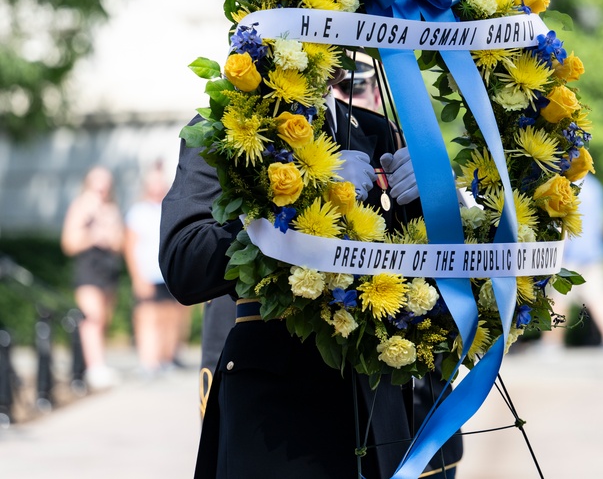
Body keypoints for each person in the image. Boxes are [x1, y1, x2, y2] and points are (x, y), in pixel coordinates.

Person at [160, 64, 460, 478]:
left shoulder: (377, 130)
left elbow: (419, 277)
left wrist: (445, 202)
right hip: (279, 419)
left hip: (379, 416)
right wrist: (298, 199)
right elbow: (184, 260)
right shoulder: (233, 126)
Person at [541, 174, 603, 350]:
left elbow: (560, 223)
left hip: (570, 253)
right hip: (594, 252)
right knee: (601, 297)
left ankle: (551, 344)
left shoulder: (563, 187)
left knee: (557, 299)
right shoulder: (595, 187)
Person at [60, 165, 126, 390]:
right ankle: (95, 368)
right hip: (88, 270)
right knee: (92, 318)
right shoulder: (80, 207)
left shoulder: (112, 209)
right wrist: (92, 233)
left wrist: (108, 227)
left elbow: (119, 244)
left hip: (108, 271)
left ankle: (97, 363)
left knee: (104, 319)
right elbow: (69, 243)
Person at [123, 161, 189, 377]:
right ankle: (148, 361)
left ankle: (166, 358)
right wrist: (137, 278)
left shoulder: (171, 207)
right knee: (148, 318)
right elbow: (130, 247)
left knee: (171, 318)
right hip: (148, 273)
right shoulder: (138, 212)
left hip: (169, 272)